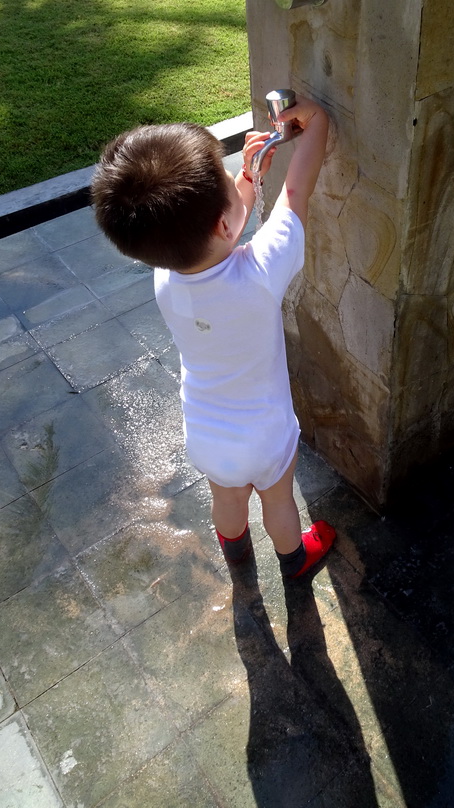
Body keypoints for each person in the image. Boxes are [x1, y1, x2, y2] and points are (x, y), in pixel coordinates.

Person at [90, 95, 335, 579]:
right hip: (265, 435)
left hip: (205, 432)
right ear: (223, 223)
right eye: (229, 182)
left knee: (227, 498)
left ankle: (237, 555)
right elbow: (297, 195)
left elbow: (220, 231)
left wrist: (246, 176)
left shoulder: (165, 277)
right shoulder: (260, 273)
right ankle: (295, 561)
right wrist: (319, 123)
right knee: (279, 503)